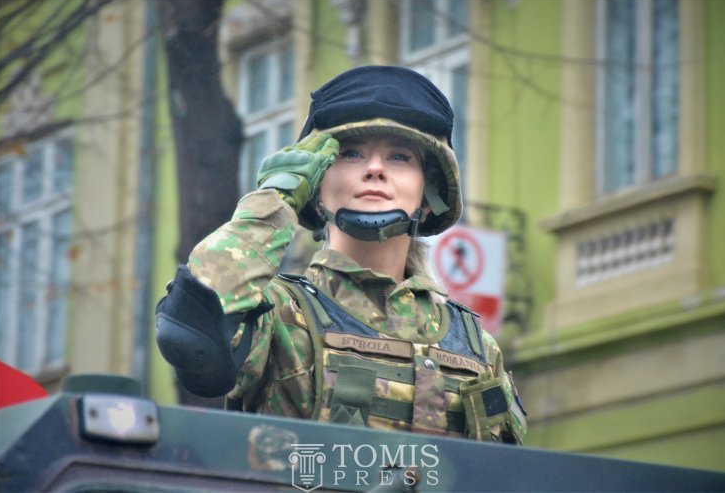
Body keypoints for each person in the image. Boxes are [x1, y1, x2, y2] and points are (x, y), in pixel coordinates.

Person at [156, 66, 526, 444]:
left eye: (400, 157)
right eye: (350, 154)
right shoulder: (278, 314)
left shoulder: (475, 345)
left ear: (429, 195)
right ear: (316, 186)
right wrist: (276, 198)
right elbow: (191, 334)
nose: (375, 169)